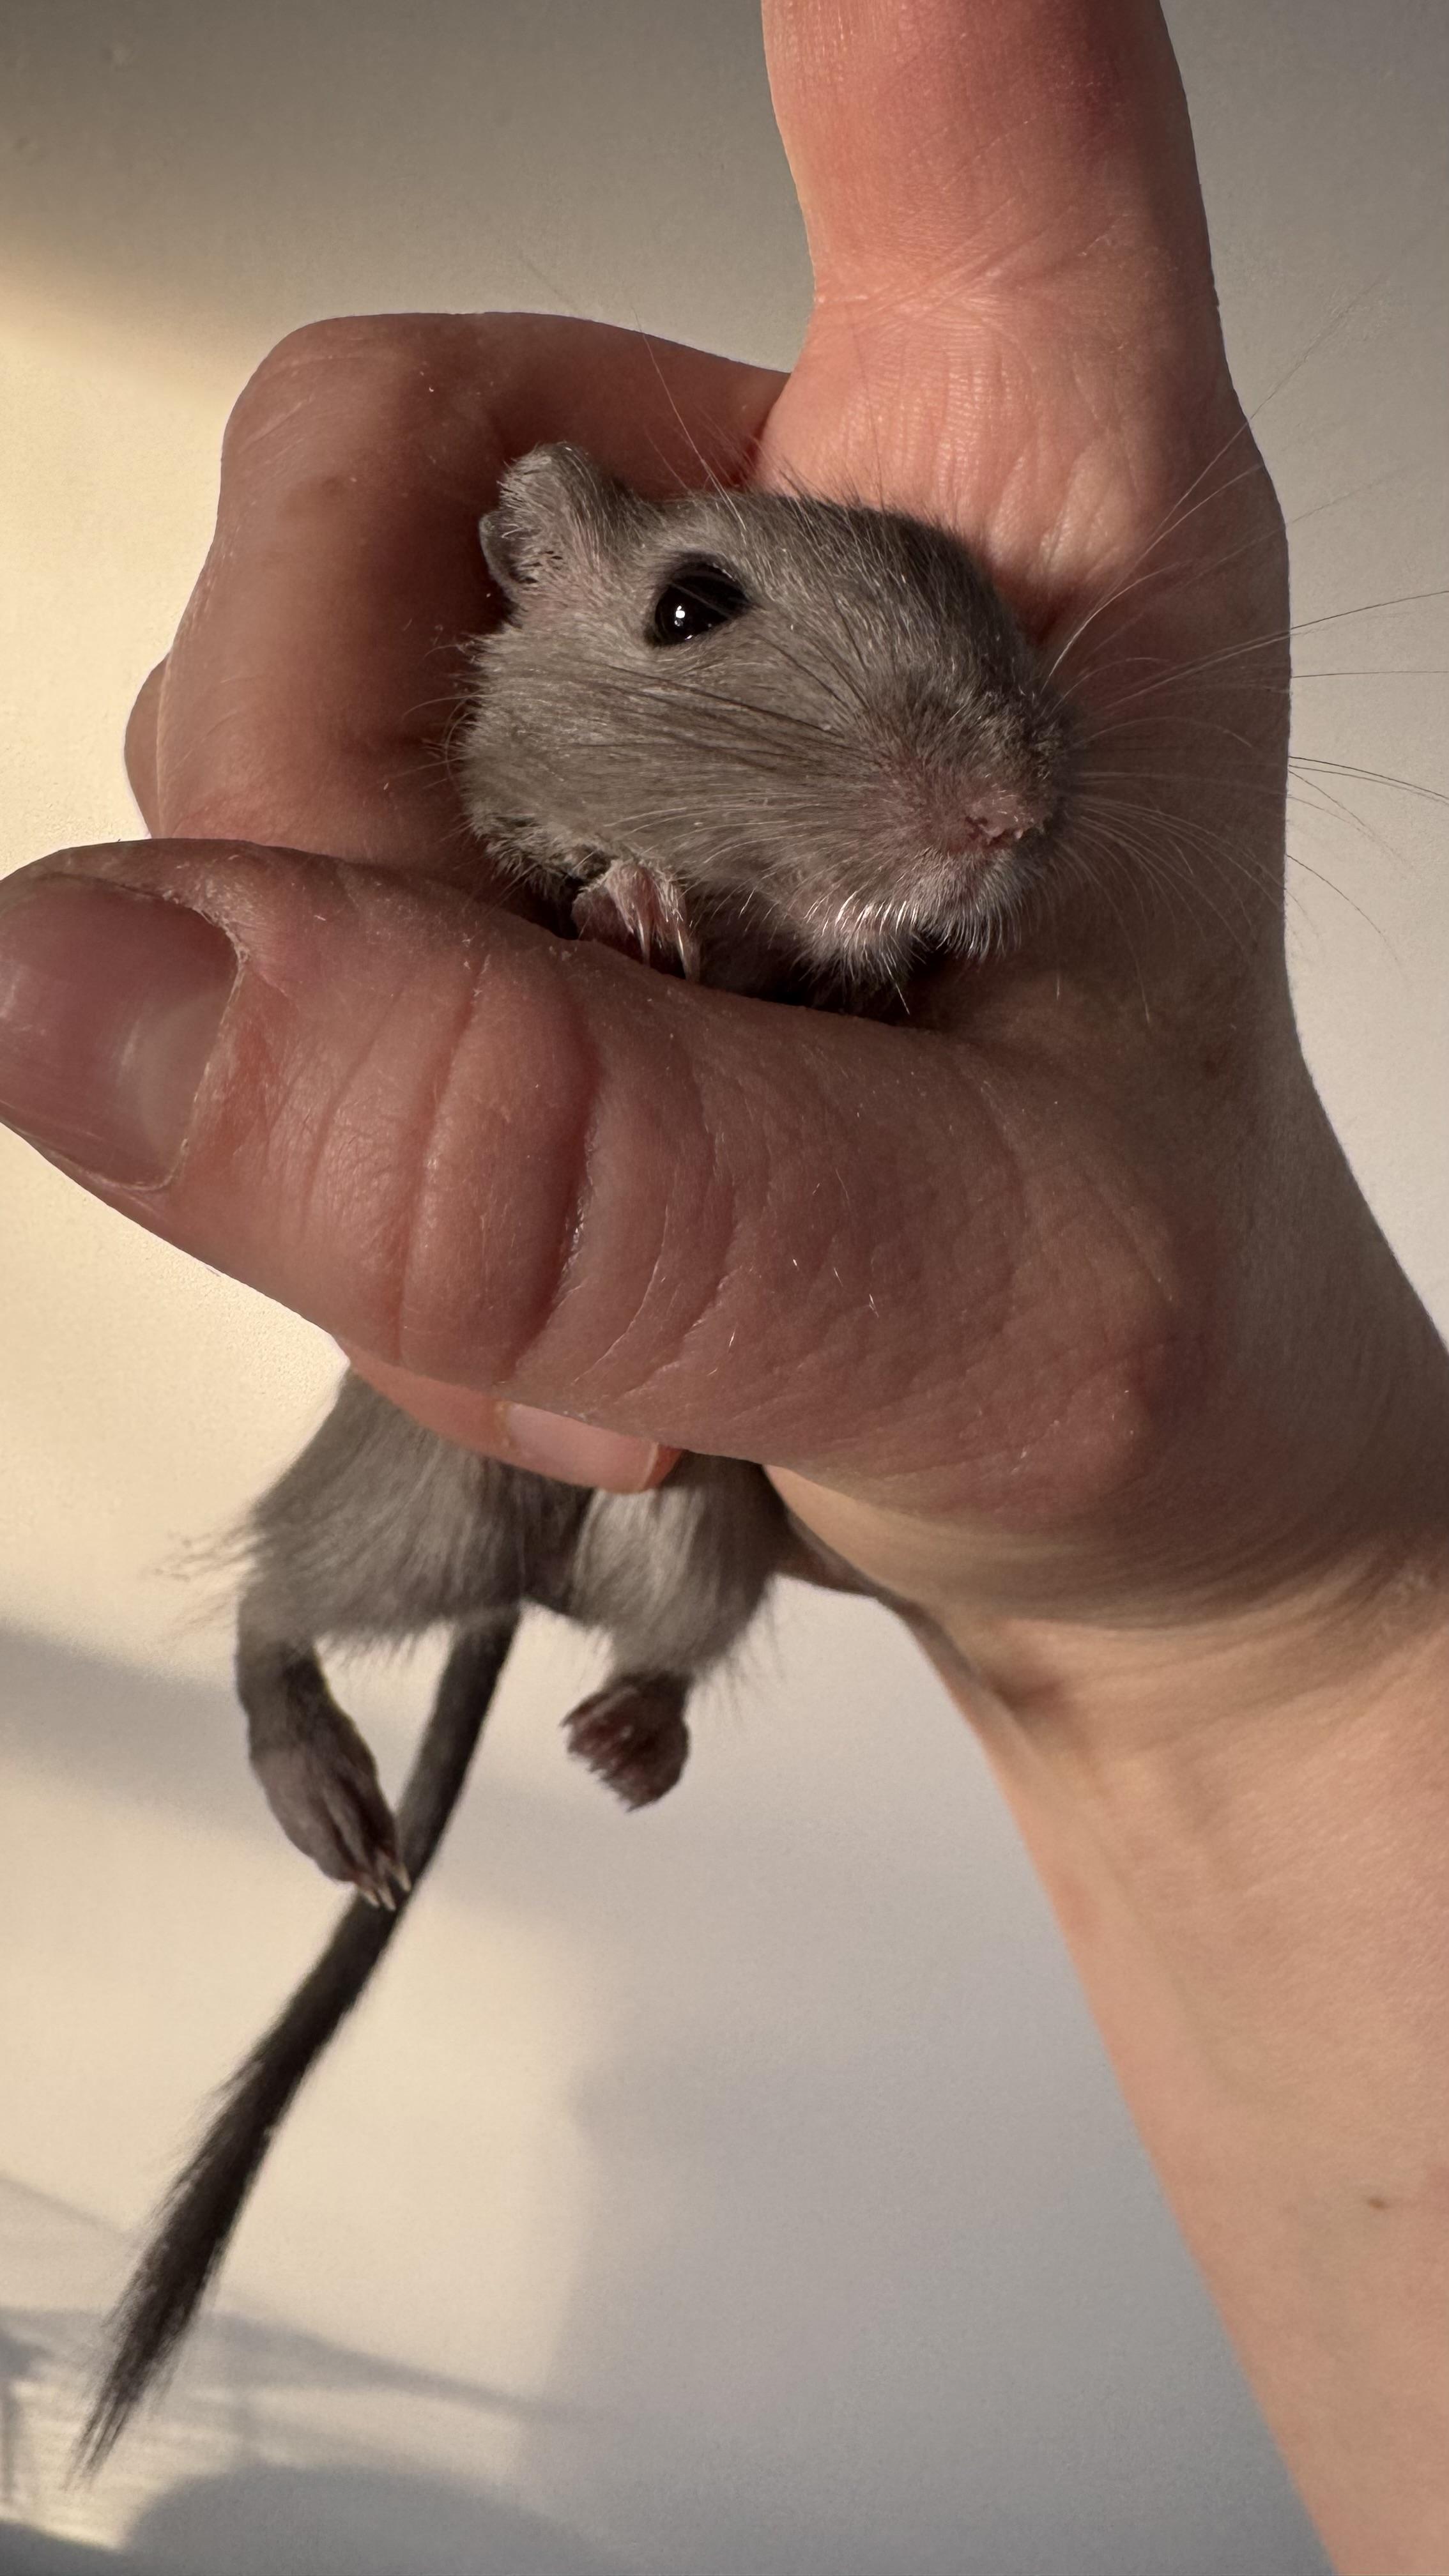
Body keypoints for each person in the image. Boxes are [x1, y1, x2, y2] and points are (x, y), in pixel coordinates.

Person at [0, 2, 1443, 2563]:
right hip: (490, 1431)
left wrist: (1254, 1595)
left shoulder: (875, 933)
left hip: (690, 1457)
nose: (970, 771)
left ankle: (649, 1676)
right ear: (539, 585)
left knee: (688, 1536)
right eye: (687, 612)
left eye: (989, 668)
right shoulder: (531, 789)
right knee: (407, 1518)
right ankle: (262, 1671)